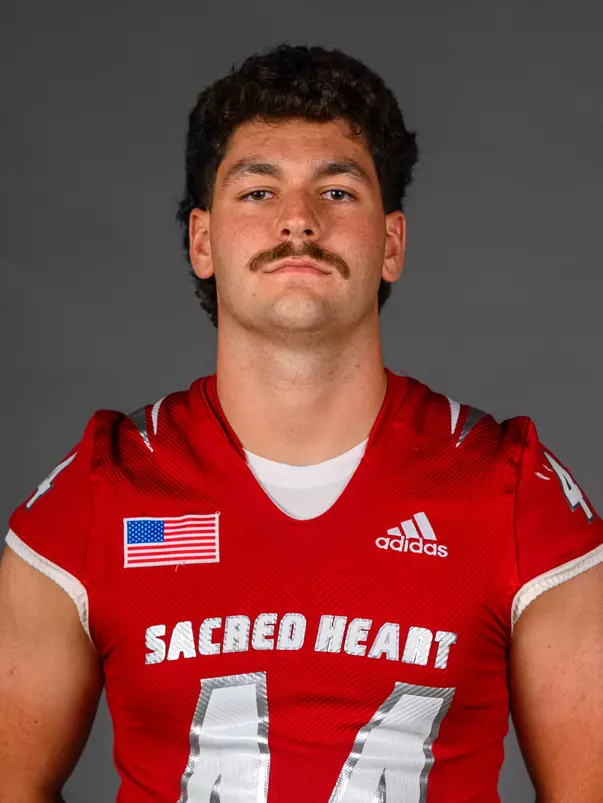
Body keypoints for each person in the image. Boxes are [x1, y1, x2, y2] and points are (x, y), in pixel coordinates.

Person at [1, 43, 602, 803]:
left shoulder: (515, 493)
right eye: (256, 191)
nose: (297, 220)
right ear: (201, 241)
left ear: (391, 244)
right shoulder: (97, 493)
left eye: (338, 191)